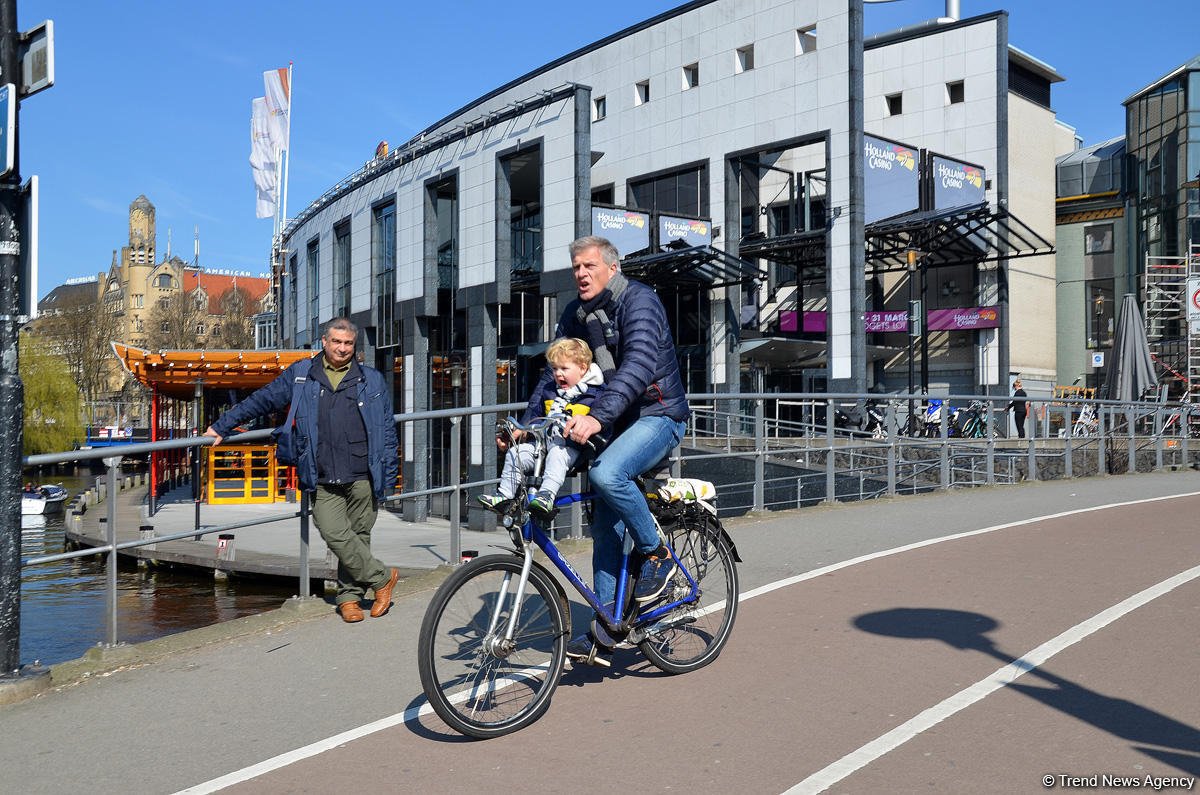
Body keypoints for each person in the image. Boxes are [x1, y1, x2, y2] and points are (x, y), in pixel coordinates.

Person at [535, 235, 691, 667]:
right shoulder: (576, 314)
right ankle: (608, 625)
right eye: (576, 268)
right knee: (603, 528)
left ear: (611, 268)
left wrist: (597, 417)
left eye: (589, 266)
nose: (581, 274)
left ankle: (657, 555)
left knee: (606, 475)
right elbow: (556, 377)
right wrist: (531, 426)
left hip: (660, 414)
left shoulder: (639, 302)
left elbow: (639, 365)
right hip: (616, 420)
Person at [203, 318, 400, 624]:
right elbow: (263, 400)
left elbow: (387, 429)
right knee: (334, 532)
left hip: (363, 470)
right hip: (320, 471)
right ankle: (382, 578)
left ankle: (349, 598)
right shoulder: (301, 374)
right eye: (337, 342)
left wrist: (387, 477)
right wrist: (222, 425)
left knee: (359, 535)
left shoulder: (371, 379)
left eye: (348, 343)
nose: (343, 349)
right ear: (324, 341)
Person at [478, 337, 605, 515]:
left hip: (570, 448)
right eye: (554, 369)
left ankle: (547, 495)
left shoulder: (595, 394)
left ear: (583, 368)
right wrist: (524, 430)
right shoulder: (549, 390)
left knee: (557, 455)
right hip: (542, 444)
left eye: (564, 369)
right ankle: (504, 495)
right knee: (516, 453)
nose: (558, 374)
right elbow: (537, 416)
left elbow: (603, 421)